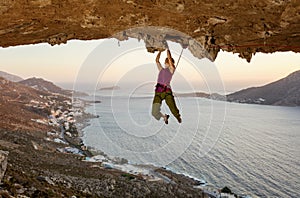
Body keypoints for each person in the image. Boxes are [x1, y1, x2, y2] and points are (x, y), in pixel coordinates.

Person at [151, 49, 182, 124]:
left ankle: (178, 116)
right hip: (158, 91)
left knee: (173, 109)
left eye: (167, 62)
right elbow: (157, 60)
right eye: (166, 62)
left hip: (167, 91)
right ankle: (164, 117)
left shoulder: (172, 69)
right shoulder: (161, 70)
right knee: (154, 112)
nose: (166, 64)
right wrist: (160, 51)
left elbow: (170, 61)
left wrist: (167, 50)